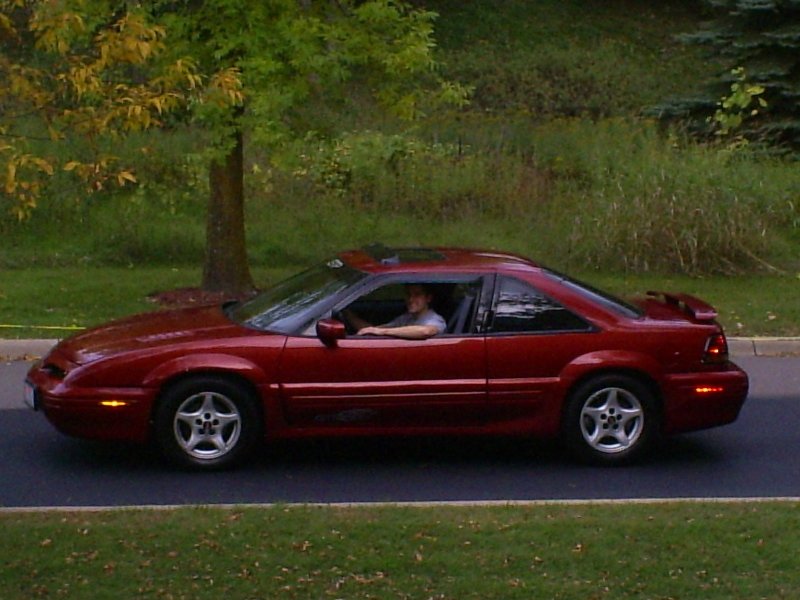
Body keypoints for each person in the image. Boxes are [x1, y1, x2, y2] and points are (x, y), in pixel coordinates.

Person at [346, 283, 446, 340]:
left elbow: (426, 331)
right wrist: (348, 315)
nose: (411, 299)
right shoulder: (406, 318)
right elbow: (371, 330)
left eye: (417, 295)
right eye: (408, 294)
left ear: (428, 298)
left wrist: (382, 331)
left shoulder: (435, 319)